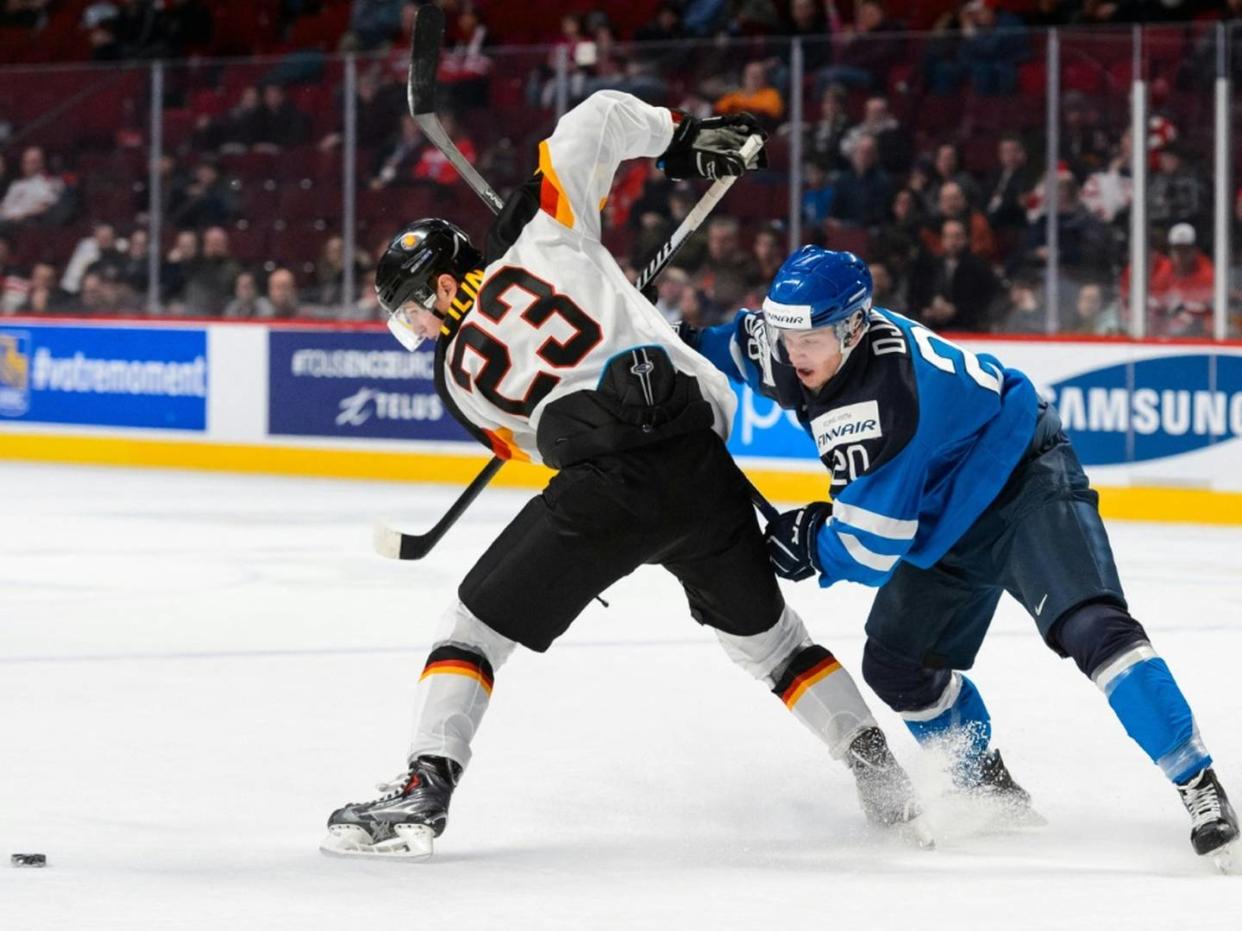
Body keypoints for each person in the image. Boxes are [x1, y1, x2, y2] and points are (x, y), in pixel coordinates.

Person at [320, 90, 928, 860]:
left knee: (471, 632)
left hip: (604, 486)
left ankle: (424, 787)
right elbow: (598, 114)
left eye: (415, 309)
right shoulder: (550, 230)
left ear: (445, 285)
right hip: (703, 469)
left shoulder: (456, 379)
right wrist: (684, 142)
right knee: (777, 647)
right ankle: (885, 779)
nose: (419, 328)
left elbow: (529, 442)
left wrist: (602, 310)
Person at [681, 245, 1239, 869]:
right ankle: (988, 787)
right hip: (944, 517)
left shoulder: (883, 402)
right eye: (785, 333)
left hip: (1023, 485)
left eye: (808, 339)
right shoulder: (799, 345)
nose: (792, 352)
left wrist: (813, 542)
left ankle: (1199, 785)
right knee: (897, 666)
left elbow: (870, 548)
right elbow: (721, 345)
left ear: (854, 327)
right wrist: (658, 341)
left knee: (1093, 627)